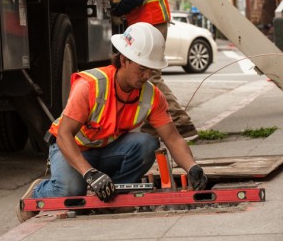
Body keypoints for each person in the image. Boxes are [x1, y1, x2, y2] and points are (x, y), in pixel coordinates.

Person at [16, 23, 207, 222]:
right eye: (142, 69)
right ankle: (39, 191)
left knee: (148, 144)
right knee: (71, 190)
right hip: (72, 149)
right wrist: (89, 173)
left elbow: (172, 138)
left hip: (106, 150)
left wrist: (192, 167)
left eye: (151, 70)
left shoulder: (152, 96)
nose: (147, 76)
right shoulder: (90, 86)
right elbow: (64, 136)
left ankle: (109, 198)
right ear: (124, 60)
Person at [112, 0, 197, 138]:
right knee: (145, 75)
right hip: (152, 24)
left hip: (149, 25)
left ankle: (179, 120)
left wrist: (116, 10)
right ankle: (153, 122)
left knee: (148, 76)